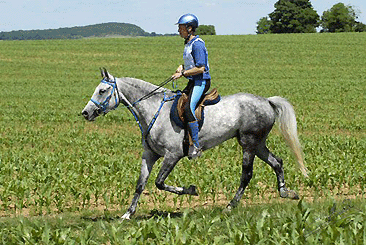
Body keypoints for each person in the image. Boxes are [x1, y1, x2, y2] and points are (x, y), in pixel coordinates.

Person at [172, 13, 211, 159]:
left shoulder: (198, 44)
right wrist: (181, 66)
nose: (178, 31)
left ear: (189, 28)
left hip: (201, 81)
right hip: (193, 81)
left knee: (188, 109)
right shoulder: (188, 43)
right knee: (179, 103)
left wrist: (182, 74)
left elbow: (201, 68)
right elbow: (191, 63)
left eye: (181, 28)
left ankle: (195, 146)